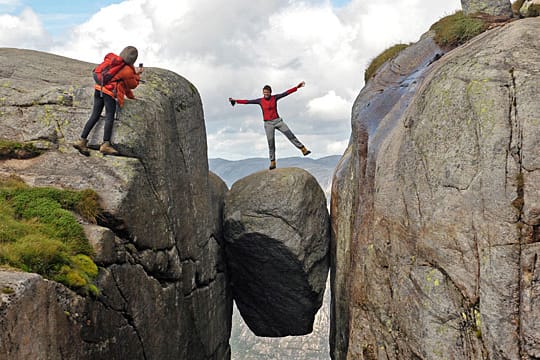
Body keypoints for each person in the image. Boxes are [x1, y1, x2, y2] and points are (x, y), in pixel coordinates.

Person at [73, 46, 143, 156]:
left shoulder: (112, 60)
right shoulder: (128, 70)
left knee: (95, 115)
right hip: (109, 93)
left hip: (98, 89)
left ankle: (82, 140)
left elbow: (123, 84)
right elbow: (132, 85)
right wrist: (137, 75)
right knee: (109, 116)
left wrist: (130, 95)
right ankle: (105, 144)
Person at [229, 82, 311, 170]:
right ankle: (273, 162)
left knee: (290, 134)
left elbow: (285, 93)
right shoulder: (260, 101)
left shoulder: (274, 98)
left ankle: (303, 149)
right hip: (268, 124)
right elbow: (247, 101)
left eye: (267, 92)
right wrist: (235, 101)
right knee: (271, 143)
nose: (266, 94)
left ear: (270, 92)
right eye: (264, 92)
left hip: (278, 121)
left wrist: (296, 87)